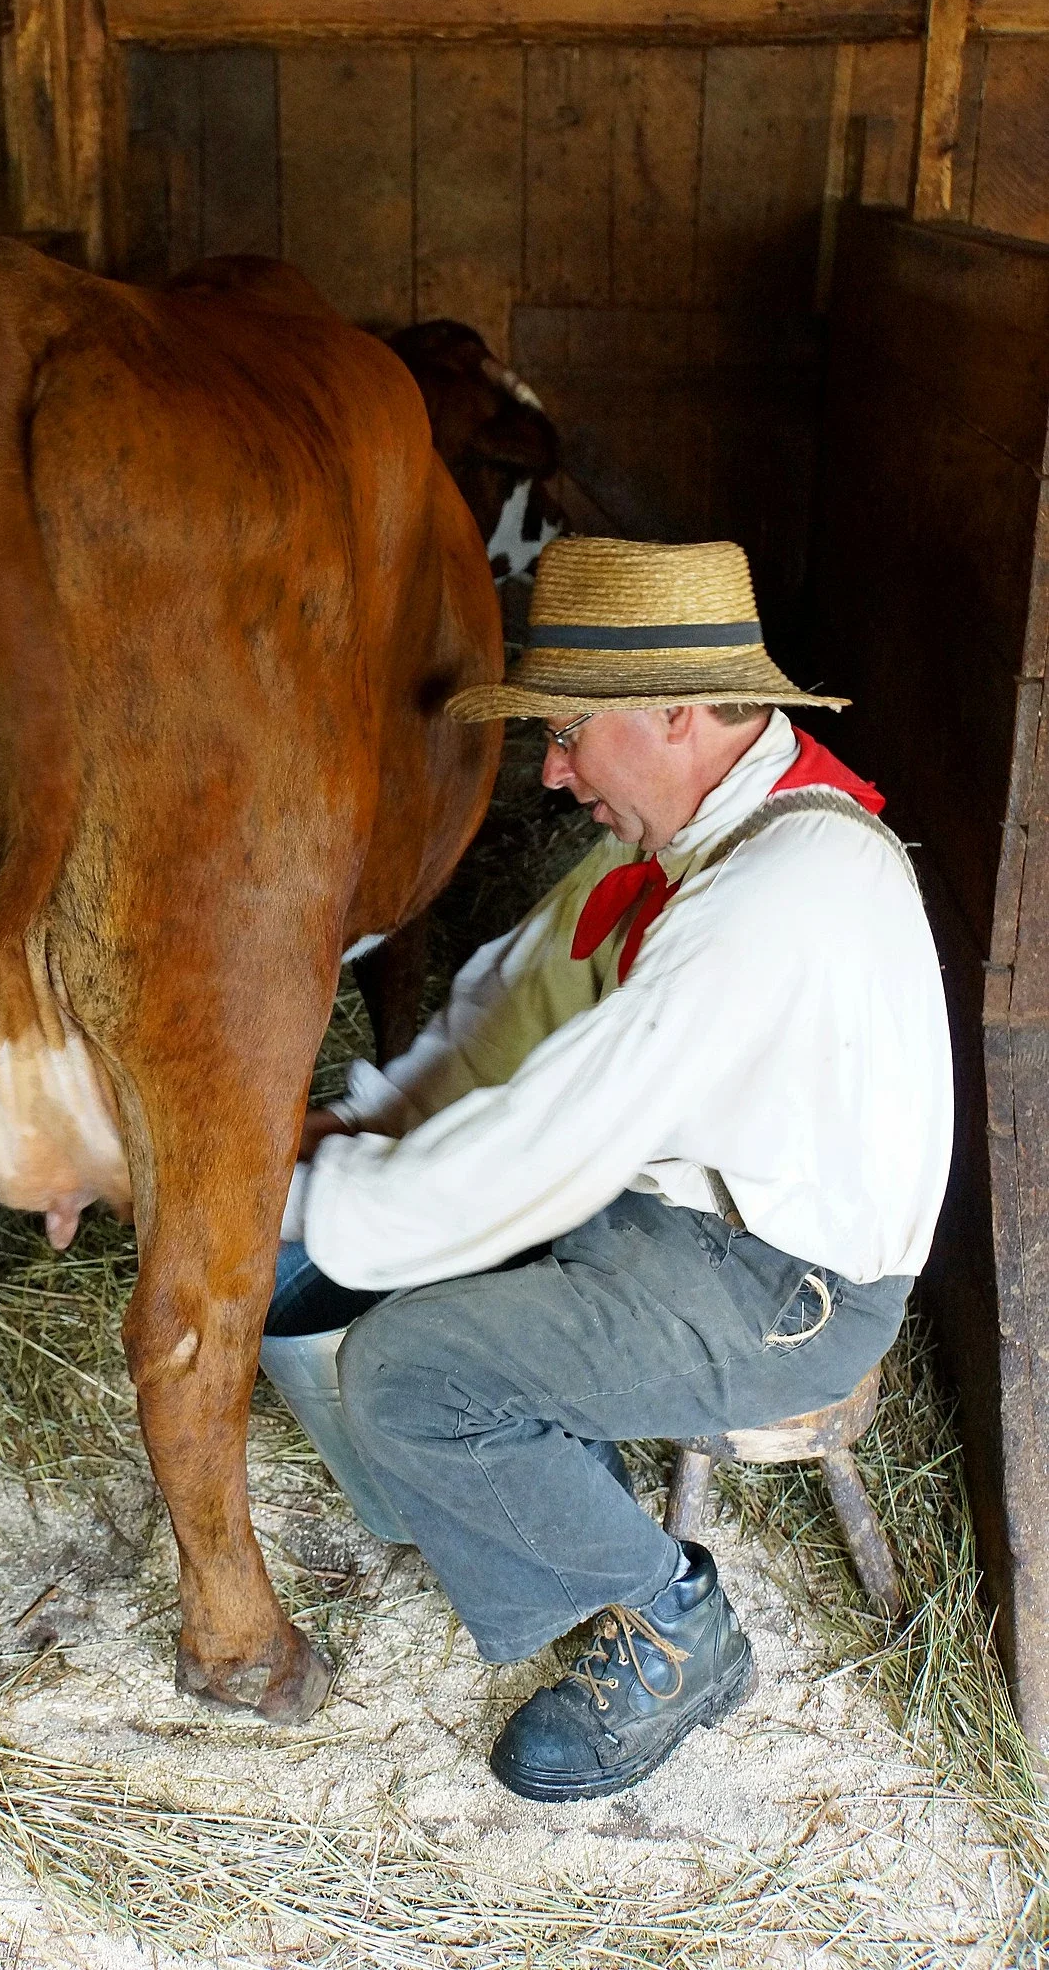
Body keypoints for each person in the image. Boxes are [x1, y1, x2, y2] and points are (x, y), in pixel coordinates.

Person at [280, 535, 953, 1803]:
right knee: (408, 1253)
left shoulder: (776, 895)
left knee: (406, 1375)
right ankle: (558, 1497)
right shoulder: (692, 844)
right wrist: (368, 1126)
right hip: (678, 1226)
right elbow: (515, 1009)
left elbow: (564, 1131)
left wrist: (328, 1201)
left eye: (570, 733)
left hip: (780, 1293)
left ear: (678, 715)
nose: (553, 769)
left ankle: (674, 1625)